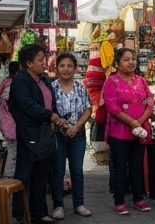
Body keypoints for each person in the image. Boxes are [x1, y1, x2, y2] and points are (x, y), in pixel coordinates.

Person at [7, 44, 64, 223]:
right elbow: (29, 106)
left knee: (42, 173)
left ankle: (39, 211)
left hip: (45, 132)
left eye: (44, 58)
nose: (44, 62)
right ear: (29, 63)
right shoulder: (20, 81)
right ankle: (20, 213)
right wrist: (51, 116)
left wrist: (54, 117)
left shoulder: (44, 79)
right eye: (40, 59)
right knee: (24, 174)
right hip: (28, 132)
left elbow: (51, 101)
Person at [103, 48, 154, 214]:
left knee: (136, 166)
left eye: (133, 58)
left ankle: (138, 198)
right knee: (119, 168)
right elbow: (112, 107)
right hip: (119, 133)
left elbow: (150, 102)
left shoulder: (141, 81)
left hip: (139, 132)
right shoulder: (112, 82)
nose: (131, 62)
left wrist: (139, 122)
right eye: (126, 59)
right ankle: (119, 201)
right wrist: (132, 122)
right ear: (117, 64)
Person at [51, 52, 91, 218]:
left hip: (77, 135)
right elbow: (47, 110)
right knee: (58, 171)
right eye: (62, 66)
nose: (66, 69)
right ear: (57, 68)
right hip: (57, 135)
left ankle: (79, 204)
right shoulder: (51, 88)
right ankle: (58, 205)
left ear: (75, 69)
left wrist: (76, 127)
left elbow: (88, 109)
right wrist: (55, 120)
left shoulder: (81, 88)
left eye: (69, 66)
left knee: (77, 170)